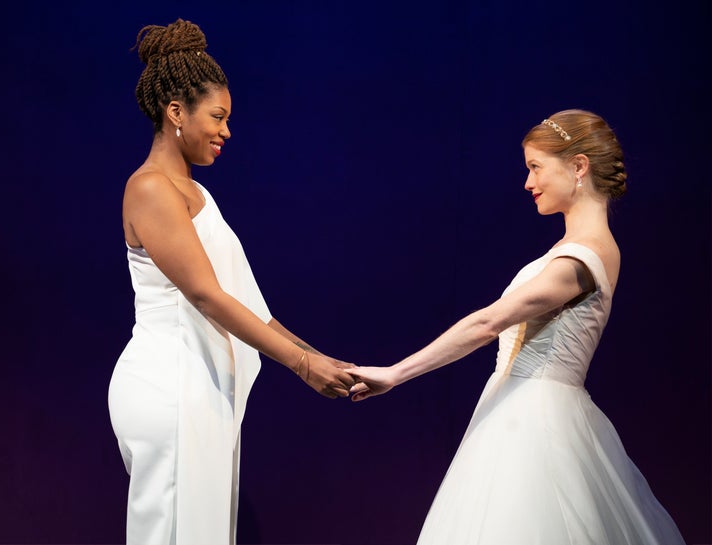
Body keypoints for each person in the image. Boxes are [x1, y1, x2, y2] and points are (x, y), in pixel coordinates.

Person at [346, 110, 686, 544]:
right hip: (518, 408)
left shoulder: (582, 257)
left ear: (578, 166)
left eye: (536, 167)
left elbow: (488, 323)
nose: (528, 183)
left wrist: (394, 374)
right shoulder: (575, 248)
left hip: (534, 420)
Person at [107, 19, 355, 545]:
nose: (226, 131)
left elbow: (249, 306)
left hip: (201, 388)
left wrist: (318, 358)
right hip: (169, 385)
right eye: (217, 117)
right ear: (175, 112)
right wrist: (301, 364)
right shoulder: (151, 188)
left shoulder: (199, 195)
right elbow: (205, 294)